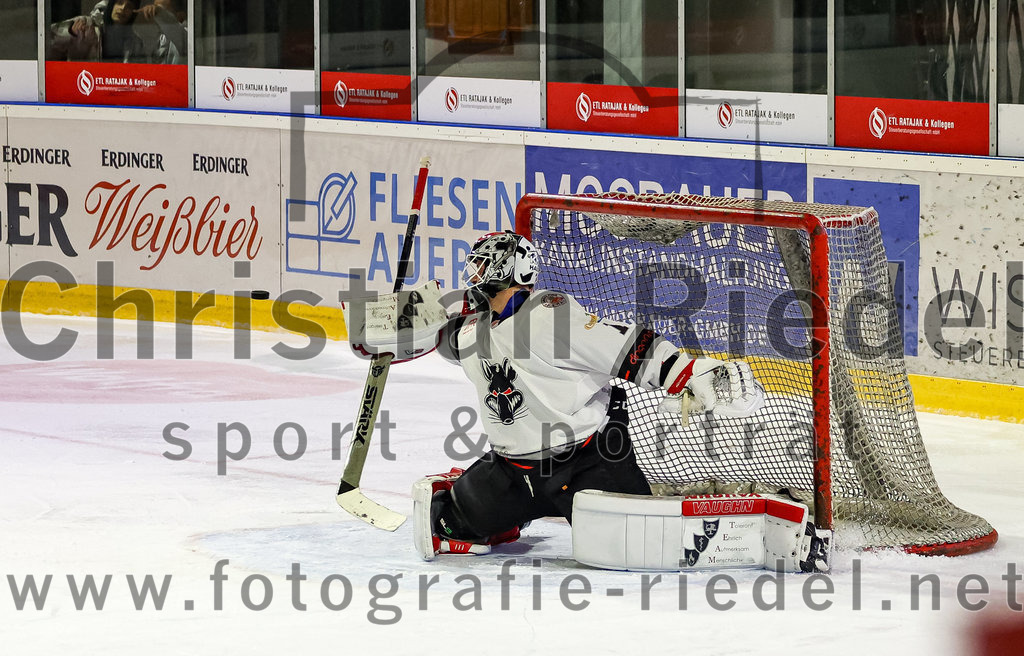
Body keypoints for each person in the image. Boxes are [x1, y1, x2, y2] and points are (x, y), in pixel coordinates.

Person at [412, 231, 761, 559]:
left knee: (642, 547)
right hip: (512, 471)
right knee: (448, 526)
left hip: (585, 463)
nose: (473, 273)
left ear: (506, 269)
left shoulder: (550, 317)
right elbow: (447, 342)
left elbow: (623, 346)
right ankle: (497, 511)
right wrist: (401, 326)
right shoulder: (475, 328)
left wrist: (684, 372)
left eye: (482, 264)